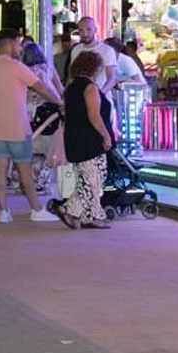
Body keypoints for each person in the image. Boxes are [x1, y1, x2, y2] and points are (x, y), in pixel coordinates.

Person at [0, 30, 62, 224]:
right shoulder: (17, 67)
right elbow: (42, 87)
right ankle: (36, 209)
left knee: (0, 168)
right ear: (10, 44)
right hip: (17, 128)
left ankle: (3, 211)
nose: (21, 48)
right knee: (25, 169)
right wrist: (59, 102)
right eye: (19, 43)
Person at [58, 51, 114, 229]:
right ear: (95, 68)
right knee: (93, 179)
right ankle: (73, 210)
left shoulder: (72, 87)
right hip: (89, 139)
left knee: (88, 179)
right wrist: (106, 135)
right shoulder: (90, 88)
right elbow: (94, 115)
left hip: (74, 137)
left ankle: (84, 213)